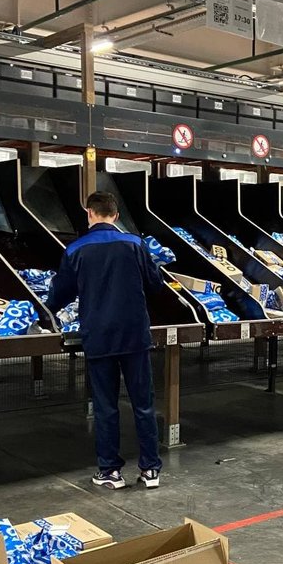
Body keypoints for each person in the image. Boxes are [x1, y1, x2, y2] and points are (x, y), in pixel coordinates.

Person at [47, 191, 166, 489]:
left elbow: (60, 294)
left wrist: (41, 314)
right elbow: (155, 284)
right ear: (116, 215)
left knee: (106, 406)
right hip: (134, 335)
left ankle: (110, 471)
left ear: (89, 213)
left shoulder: (75, 249)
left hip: (99, 336)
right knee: (143, 404)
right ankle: (150, 470)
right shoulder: (135, 244)